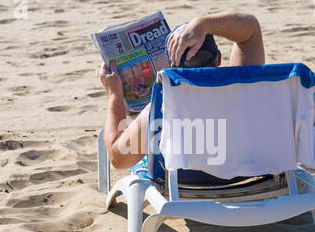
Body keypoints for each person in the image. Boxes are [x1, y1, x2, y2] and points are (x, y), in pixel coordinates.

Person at [99, 12, 265, 169]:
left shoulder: (162, 107)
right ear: (218, 58)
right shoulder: (242, 86)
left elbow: (118, 159)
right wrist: (204, 24)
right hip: (243, 176)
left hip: (184, 186)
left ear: (173, 66)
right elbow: (251, 29)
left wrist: (115, 95)